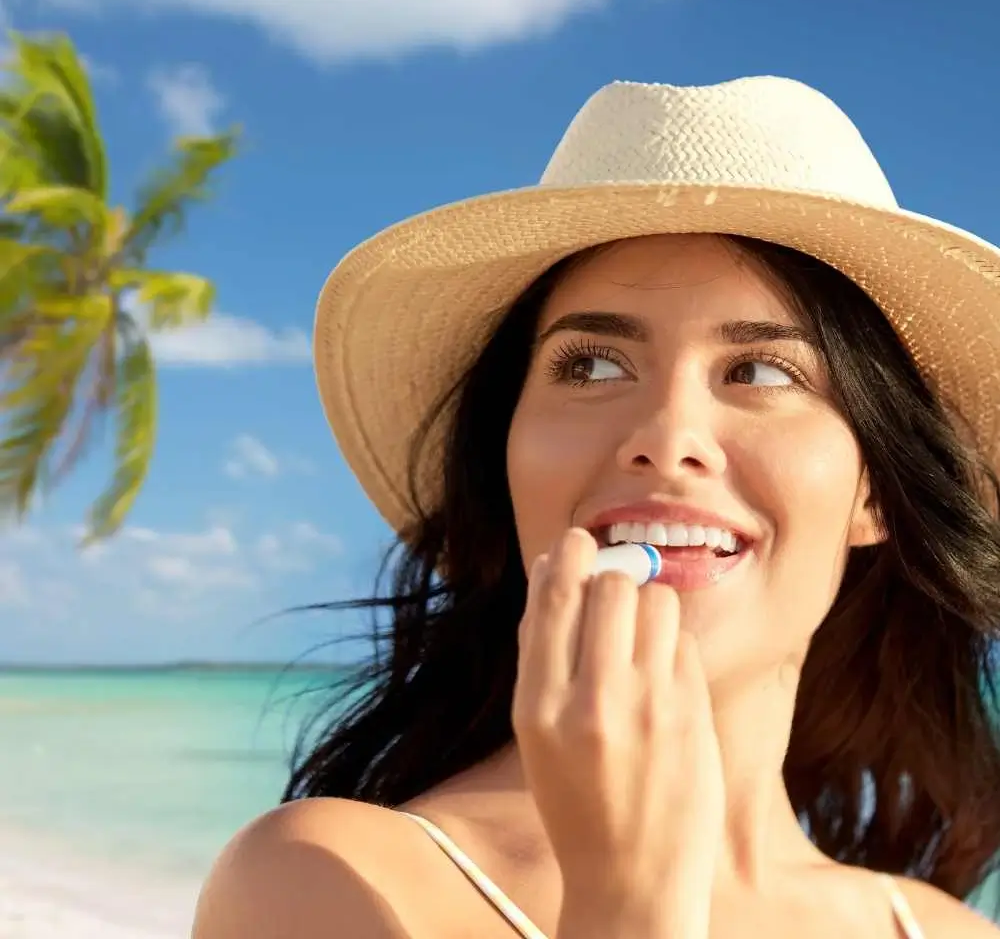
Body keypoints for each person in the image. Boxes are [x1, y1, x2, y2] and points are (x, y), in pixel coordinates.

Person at [192, 77, 1000, 939]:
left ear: (874, 489)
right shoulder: (325, 883)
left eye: (762, 373)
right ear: (506, 455)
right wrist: (626, 903)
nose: (667, 434)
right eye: (592, 367)